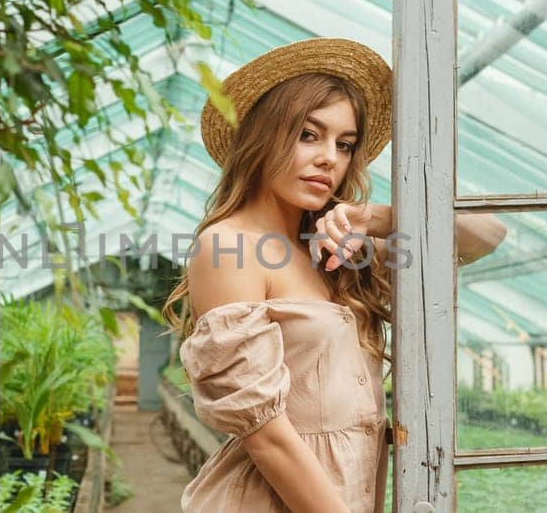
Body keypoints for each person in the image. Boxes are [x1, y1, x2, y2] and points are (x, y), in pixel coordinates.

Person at [160, 37, 507, 512]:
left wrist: (380, 218)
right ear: (263, 137)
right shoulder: (228, 246)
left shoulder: (341, 248)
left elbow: (486, 234)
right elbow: (267, 436)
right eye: (308, 134)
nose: (329, 158)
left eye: (344, 145)